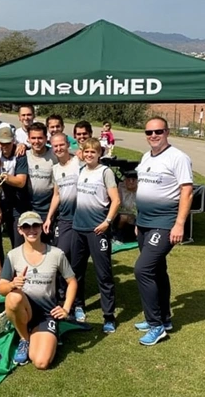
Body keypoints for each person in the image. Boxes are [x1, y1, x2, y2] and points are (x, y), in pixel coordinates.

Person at [134, 116, 193, 345]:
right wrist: (139, 221)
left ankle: (156, 326)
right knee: (157, 270)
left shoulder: (178, 157)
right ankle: (164, 317)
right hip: (145, 222)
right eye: (149, 132)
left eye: (158, 131)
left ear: (167, 132)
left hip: (165, 222)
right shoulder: (146, 156)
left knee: (142, 269)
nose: (153, 136)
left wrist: (179, 223)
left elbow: (186, 192)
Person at [0, 211, 77, 368]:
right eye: (26, 227)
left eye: (35, 225)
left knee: (41, 362)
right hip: (25, 309)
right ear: (20, 230)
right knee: (12, 297)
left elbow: (72, 282)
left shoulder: (56, 254)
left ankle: (39, 333)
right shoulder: (13, 255)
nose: (31, 230)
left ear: (41, 227)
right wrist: (13, 284)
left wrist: (66, 308)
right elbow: (1, 288)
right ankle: (24, 339)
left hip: (47, 314)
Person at [71, 138, 120, 332]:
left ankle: (108, 316)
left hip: (97, 230)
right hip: (78, 228)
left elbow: (116, 201)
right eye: (86, 151)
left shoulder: (105, 172)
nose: (89, 154)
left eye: (93, 152)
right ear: (82, 153)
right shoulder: (81, 170)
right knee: (76, 272)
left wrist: (107, 222)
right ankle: (78, 306)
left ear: (99, 153)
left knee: (104, 274)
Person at [46, 133, 80, 259]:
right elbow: (56, 195)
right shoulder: (55, 169)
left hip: (80, 215)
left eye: (61, 145)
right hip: (65, 217)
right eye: (55, 146)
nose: (59, 148)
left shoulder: (78, 161)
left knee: (76, 254)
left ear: (68, 145)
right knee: (62, 252)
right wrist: (49, 217)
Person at [0, 126, 28, 247]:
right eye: (2, 143)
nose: (5, 147)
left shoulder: (20, 155)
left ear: (13, 141)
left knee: (18, 240)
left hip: (17, 203)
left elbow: (21, 182)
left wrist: (3, 177)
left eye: (8, 143)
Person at [25, 123, 57, 243]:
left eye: (40, 138)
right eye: (33, 138)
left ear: (46, 138)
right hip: (28, 208)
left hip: (47, 209)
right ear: (28, 139)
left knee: (47, 246)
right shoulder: (23, 155)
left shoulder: (54, 156)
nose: (37, 141)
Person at [116, 171, 138, 240]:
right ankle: (117, 235)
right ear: (125, 181)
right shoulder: (120, 188)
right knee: (124, 217)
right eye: (129, 180)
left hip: (136, 216)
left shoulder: (141, 189)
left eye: (133, 180)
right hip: (122, 215)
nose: (131, 182)